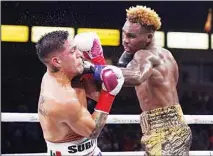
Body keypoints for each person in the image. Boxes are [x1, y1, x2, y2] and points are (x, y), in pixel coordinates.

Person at [117, 5, 192, 156]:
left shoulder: (143, 56)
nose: (125, 40)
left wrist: (97, 69)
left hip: (164, 132)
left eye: (131, 36)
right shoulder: (167, 54)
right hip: (174, 127)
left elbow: (137, 76)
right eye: (124, 34)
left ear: (149, 37)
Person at [35, 30, 124, 156]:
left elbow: (96, 95)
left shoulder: (67, 73)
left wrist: (97, 59)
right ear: (57, 62)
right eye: (72, 51)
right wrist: (109, 94)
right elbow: (93, 131)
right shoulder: (62, 99)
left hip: (92, 151)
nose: (80, 54)